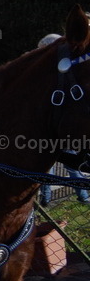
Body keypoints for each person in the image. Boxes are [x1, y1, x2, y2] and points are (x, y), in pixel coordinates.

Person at [36, 33, 90, 205]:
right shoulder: (64, 73)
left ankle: (46, 199)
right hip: (61, 128)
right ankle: (82, 196)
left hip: (55, 128)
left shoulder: (58, 73)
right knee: (66, 164)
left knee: (51, 166)